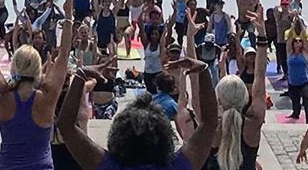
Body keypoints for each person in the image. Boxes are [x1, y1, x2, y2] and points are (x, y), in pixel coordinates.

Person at [57, 58, 217, 170]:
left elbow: (66, 126)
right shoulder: (177, 166)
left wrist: (80, 76)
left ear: (120, 135)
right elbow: (209, 123)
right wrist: (203, 71)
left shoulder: (109, 166)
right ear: (165, 137)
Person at [0, 0, 73, 170]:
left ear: (15, 66)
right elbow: (63, 55)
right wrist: (68, 16)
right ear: (39, 68)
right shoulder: (48, 97)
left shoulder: (2, 95)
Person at [215, 6, 268, 170]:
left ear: (219, 98)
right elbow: (259, 77)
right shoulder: (253, 124)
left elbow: (196, 97)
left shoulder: (212, 127)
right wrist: (262, 35)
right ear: (245, 96)